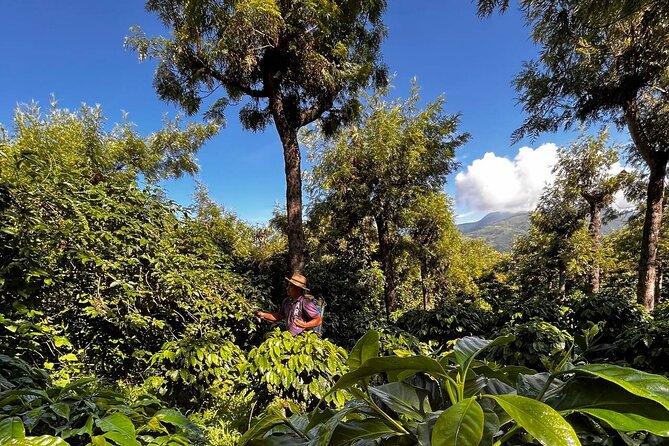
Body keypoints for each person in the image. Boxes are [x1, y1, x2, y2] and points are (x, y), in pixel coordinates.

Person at [254, 273, 322, 336]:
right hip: (290, 339)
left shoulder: (304, 302)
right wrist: (263, 314)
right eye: (288, 286)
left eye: (291, 286)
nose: (287, 288)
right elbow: (279, 316)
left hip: (302, 340)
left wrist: (305, 325)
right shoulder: (287, 301)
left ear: (298, 289)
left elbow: (318, 320)